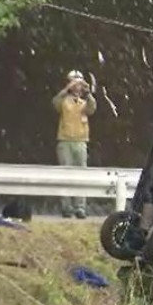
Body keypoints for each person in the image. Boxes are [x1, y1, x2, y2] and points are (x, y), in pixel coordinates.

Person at [52, 70, 97, 219]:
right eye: (74, 82)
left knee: (81, 176)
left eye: (79, 83)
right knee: (65, 175)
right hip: (65, 142)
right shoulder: (64, 100)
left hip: (81, 142)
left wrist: (88, 92)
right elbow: (55, 103)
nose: (77, 86)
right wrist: (66, 89)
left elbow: (92, 109)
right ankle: (66, 207)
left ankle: (80, 207)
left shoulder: (84, 103)